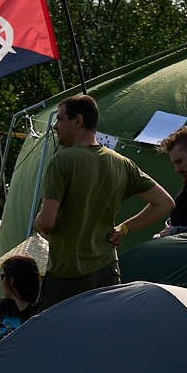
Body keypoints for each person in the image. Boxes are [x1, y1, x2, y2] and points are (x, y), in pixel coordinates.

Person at [32, 95, 174, 308]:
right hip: (108, 271)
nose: (55, 126)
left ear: (77, 120)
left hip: (68, 274)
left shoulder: (62, 160)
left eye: (60, 119)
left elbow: (47, 223)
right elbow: (164, 202)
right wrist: (124, 228)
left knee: (50, 336)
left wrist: (38, 221)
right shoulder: (122, 163)